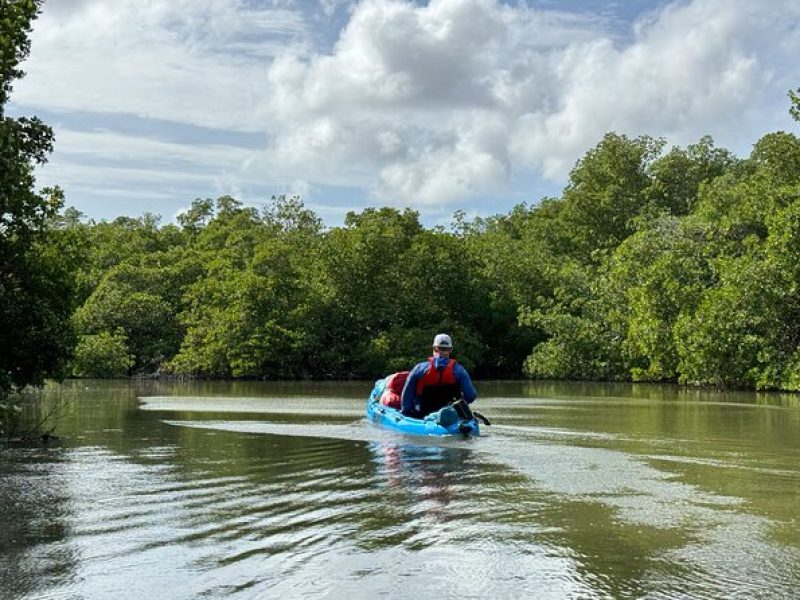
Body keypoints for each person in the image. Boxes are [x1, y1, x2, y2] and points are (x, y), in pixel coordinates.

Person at [400, 333, 477, 418]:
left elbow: (407, 396)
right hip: (452, 415)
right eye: (443, 348)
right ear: (450, 349)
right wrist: (460, 405)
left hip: (423, 414)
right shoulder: (459, 371)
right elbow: (471, 396)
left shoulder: (419, 369)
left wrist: (406, 413)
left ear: (434, 348)